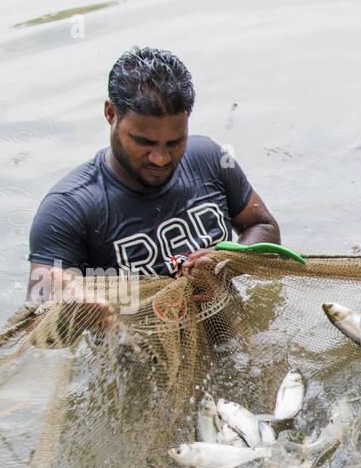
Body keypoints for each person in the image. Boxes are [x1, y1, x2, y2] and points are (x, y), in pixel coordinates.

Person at [26, 47, 280, 328]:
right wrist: (69, 307)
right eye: (143, 142)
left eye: (174, 142)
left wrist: (226, 262)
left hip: (232, 336)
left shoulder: (209, 158)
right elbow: (39, 320)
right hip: (139, 362)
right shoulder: (69, 207)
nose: (160, 159)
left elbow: (265, 227)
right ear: (111, 114)